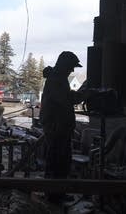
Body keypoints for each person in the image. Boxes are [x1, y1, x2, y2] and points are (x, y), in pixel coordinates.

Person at [39, 51, 89, 203]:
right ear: (64, 65)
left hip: (58, 126)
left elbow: (64, 97)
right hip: (56, 126)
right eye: (71, 67)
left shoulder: (58, 78)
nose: (72, 70)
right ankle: (54, 195)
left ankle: (56, 193)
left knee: (59, 160)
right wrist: (85, 93)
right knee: (58, 161)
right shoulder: (56, 79)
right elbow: (65, 99)